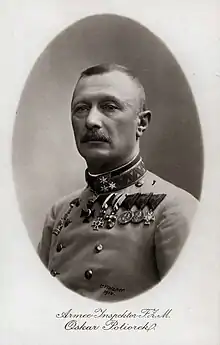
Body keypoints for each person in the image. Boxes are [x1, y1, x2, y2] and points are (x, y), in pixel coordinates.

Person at [37, 63, 198, 301]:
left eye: (109, 107)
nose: (91, 120)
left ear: (141, 123)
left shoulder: (175, 209)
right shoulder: (59, 212)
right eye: (81, 108)